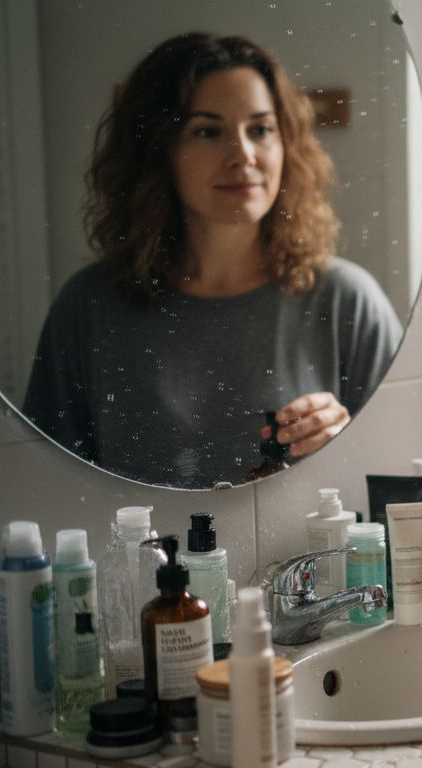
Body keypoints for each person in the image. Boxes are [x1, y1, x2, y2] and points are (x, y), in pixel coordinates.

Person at [23, 32, 402, 489]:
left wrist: (347, 444)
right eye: (207, 131)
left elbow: (403, 467)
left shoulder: (347, 301)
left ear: (286, 143)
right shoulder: (88, 307)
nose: (243, 155)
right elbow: (43, 487)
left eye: (260, 129)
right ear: (158, 151)